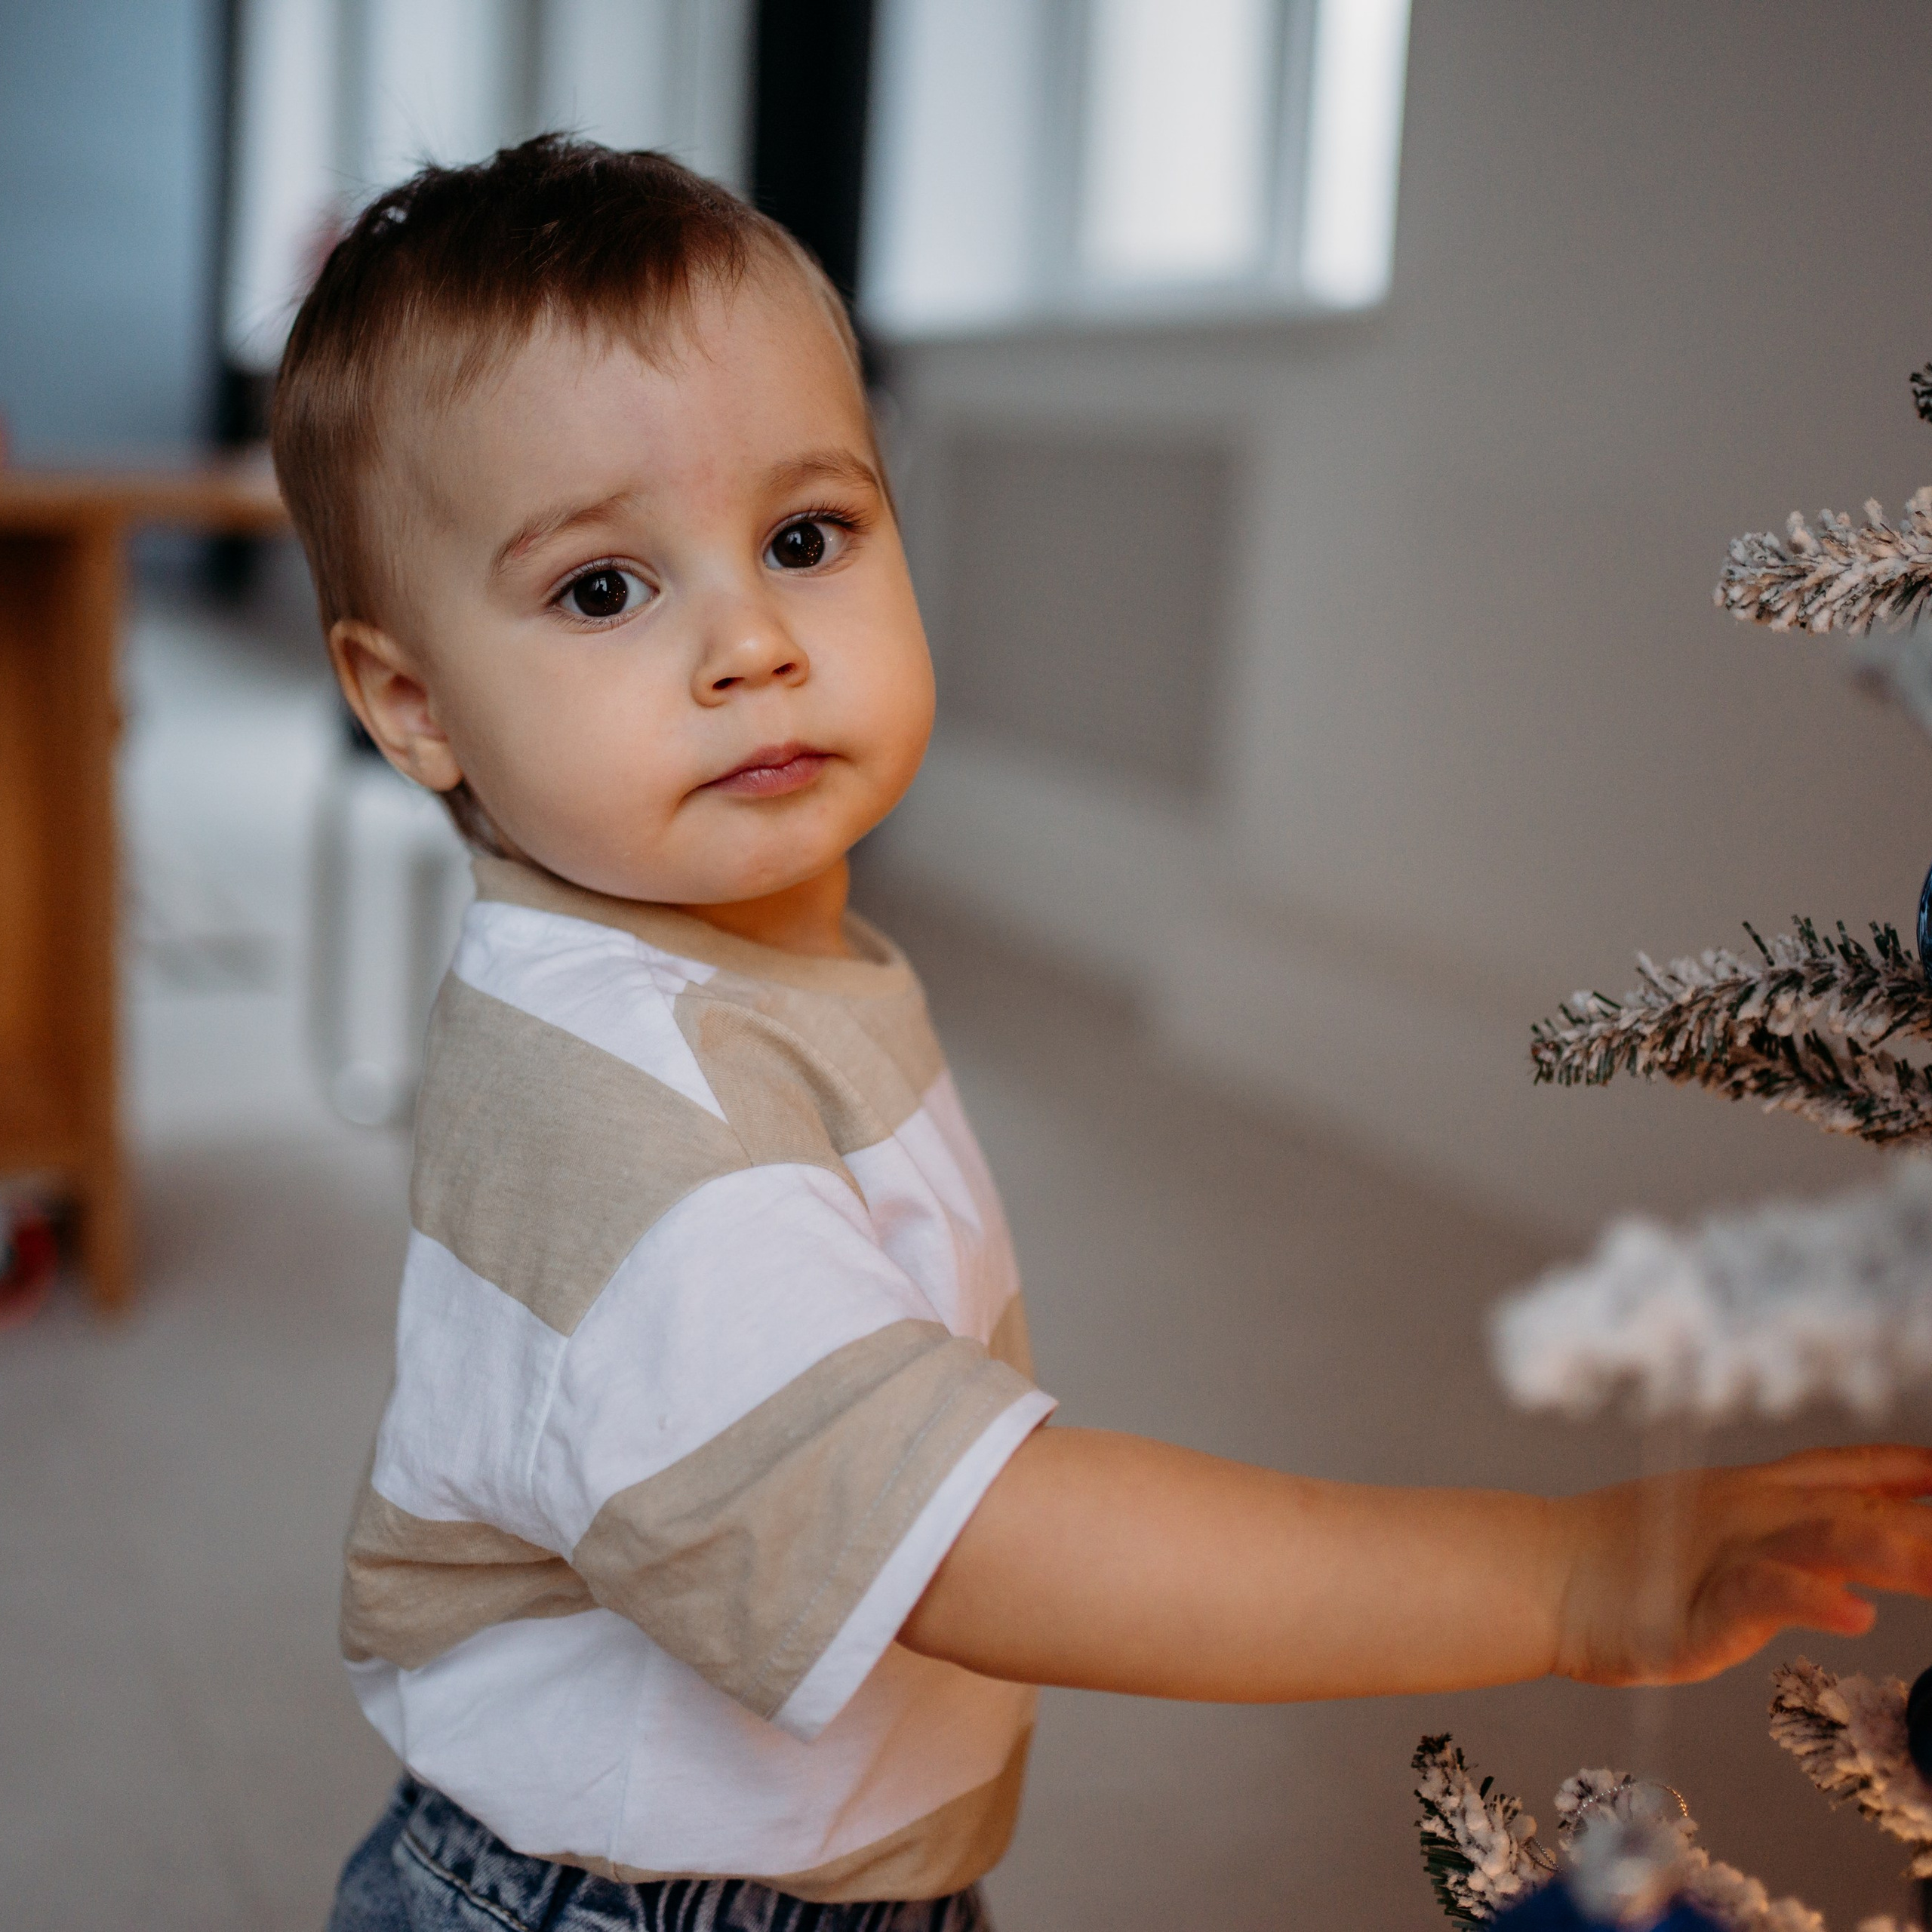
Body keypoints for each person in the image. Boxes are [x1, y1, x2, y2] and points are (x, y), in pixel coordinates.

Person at [273, 137, 1932, 1932]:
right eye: (604, 587)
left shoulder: (733, 967)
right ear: (410, 700)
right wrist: (1567, 1571)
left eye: (803, 536)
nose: (748, 638)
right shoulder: (621, 1126)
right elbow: (977, 1540)